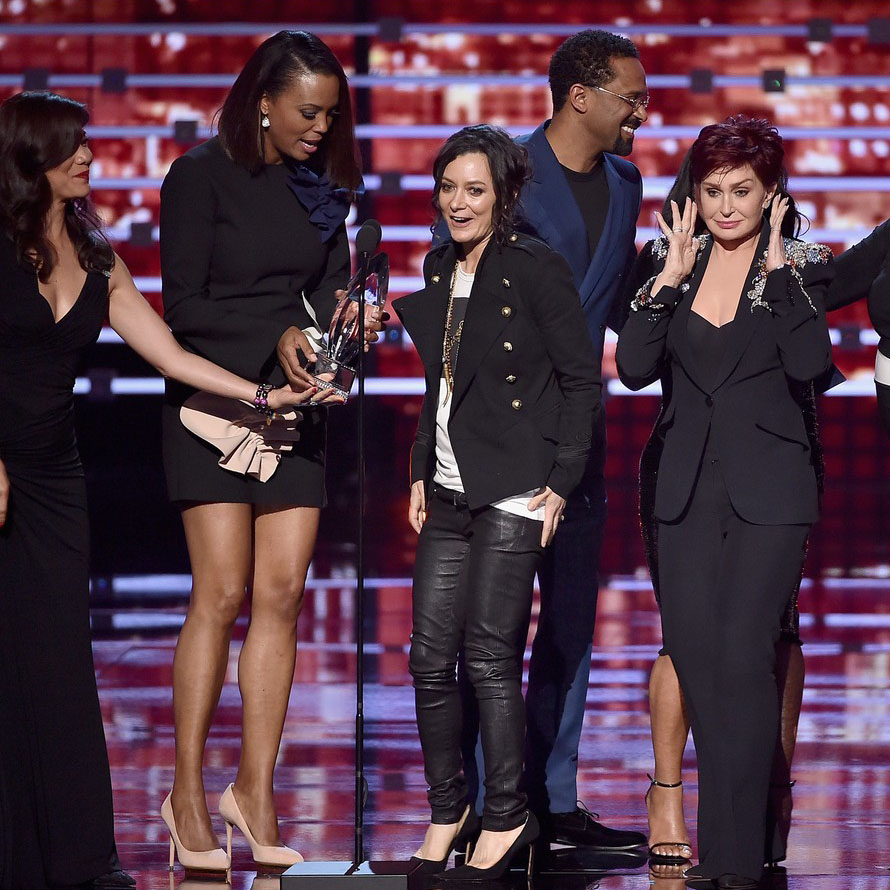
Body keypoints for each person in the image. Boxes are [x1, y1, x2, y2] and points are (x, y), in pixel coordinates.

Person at [0, 91, 318, 889]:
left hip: (53, 478)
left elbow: (170, 356)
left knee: (58, 661)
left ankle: (74, 857)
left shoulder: (96, 254)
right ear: (32, 155)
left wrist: (262, 398)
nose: (88, 158)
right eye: (73, 147)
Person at [159, 31, 380, 871]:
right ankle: (186, 794)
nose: (321, 128)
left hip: (296, 409)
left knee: (281, 593)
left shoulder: (323, 188)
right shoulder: (197, 176)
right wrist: (276, 332)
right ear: (262, 100)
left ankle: (254, 790)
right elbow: (185, 306)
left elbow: (327, 287)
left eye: (331, 114)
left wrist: (337, 330)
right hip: (215, 402)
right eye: (308, 112)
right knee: (218, 592)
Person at [616, 116, 834, 889]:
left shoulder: (800, 265)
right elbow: (635, 370)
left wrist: (778, 270)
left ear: (771, 193)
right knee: (701, 662)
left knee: (744, 656)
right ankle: (726, 853)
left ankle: (738, 857)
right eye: (712, 192)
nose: (726, 206)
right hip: (680, 490)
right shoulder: (670, 262)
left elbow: (812, 362)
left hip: (771, 495)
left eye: (743, 191)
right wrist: (668, 279)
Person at [447, 27, 649, 854]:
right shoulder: (508, 177)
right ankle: (466, 797)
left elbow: (619, 287)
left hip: (582, 429)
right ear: (582, 96)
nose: (641, 110)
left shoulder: (630, 182)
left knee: (569, 616)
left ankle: (551, 795)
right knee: (485, 625)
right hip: (502, 428)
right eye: (631, 96)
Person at [394, 125, 600, 879]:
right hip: (449, 486)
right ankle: (449, 807)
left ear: (505, 195)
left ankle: (508, 817)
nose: (458, 203)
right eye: (448, 188)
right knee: (426, 660)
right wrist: (420, 466)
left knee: (488, 656)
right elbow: (439, 384)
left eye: (474, 189)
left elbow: (582, 381)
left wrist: (563, 481)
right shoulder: (438, 266)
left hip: (516, 485)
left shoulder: (534, 270)